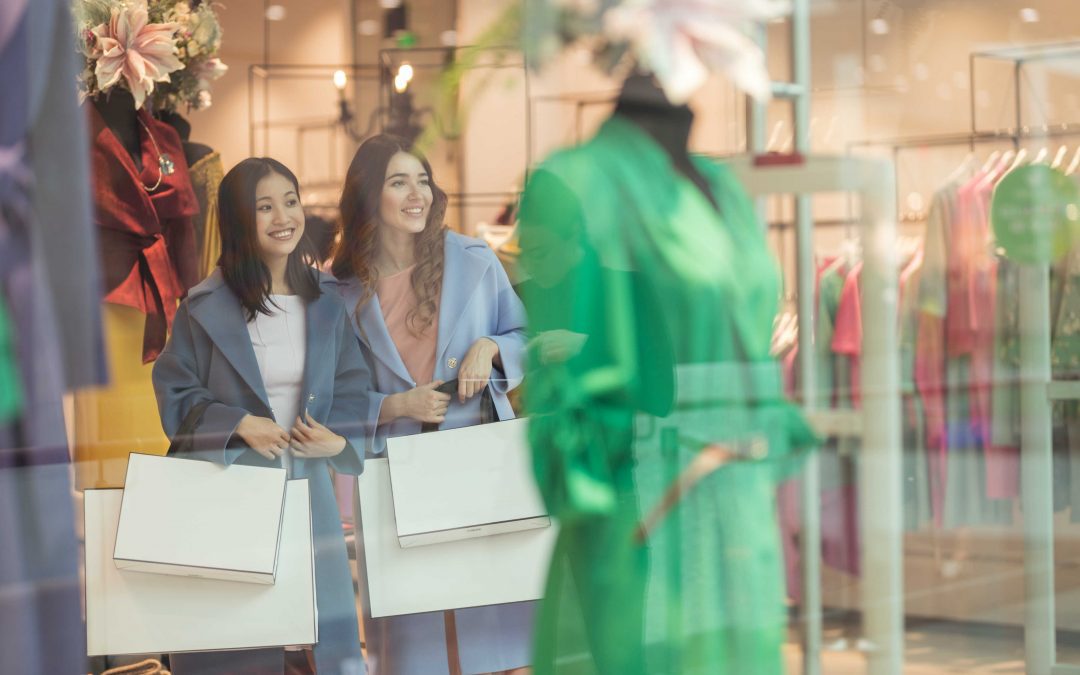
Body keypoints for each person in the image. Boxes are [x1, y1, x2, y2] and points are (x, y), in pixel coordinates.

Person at [152, 157, 370, 675]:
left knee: (319, 640)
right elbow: (174, 390)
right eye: (264, 206)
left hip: (310, 493)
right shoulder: (202, 306)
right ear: (236, 220)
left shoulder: (327, 305)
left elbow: (354, 389)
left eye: (290, 201)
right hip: (233, 492)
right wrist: (236, 423)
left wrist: (337, 442)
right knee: (241, 640)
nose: (283, 216)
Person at [331, 134, 530, 675]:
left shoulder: (474, 259)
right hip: (396, 474)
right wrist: (395, 405)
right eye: (399, 182)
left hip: (477, 465)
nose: (416, 194)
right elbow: (328, 398)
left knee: (491, 632)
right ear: (370, 196)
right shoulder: (336, 290)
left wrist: (490, 348)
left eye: (422, 180)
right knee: (413, 639)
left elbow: (524, 337)